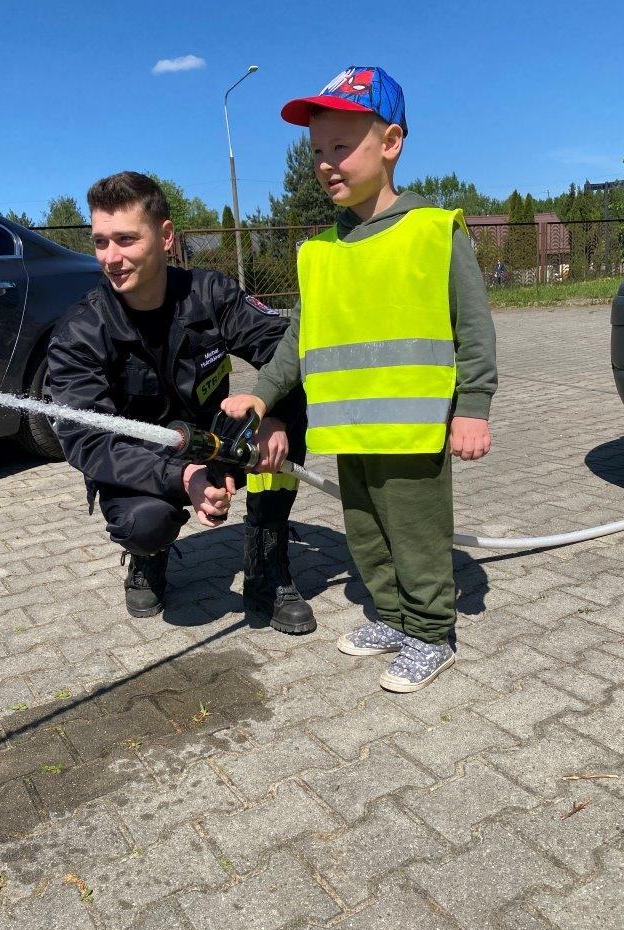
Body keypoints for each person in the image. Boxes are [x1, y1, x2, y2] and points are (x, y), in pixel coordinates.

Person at [222, 66, 497, 693]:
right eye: (317, 150)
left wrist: (473, 406)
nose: (326, 163)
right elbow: (297, 342)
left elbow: (474, 327)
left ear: (391, 142)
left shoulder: (434, 231)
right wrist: (260, 395)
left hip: (413, 430)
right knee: (367, 533)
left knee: (417, 535)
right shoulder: (319, 251)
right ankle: (393, 617)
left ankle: (431, 631)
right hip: (349, 429)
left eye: (342, 146)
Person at [47, 171, 315, 635]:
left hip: (214, 441)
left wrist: (271, 410)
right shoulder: (81, 331)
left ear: (166, 236)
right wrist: (184, 477)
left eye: (126, 239)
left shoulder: (210, 294)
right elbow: (87, 439)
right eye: (100, 242)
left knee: (289, 419)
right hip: (143, 460)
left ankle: (266, 562)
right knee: (145, 523)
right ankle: (148, 558)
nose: (111, 257)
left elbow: (285, 348)